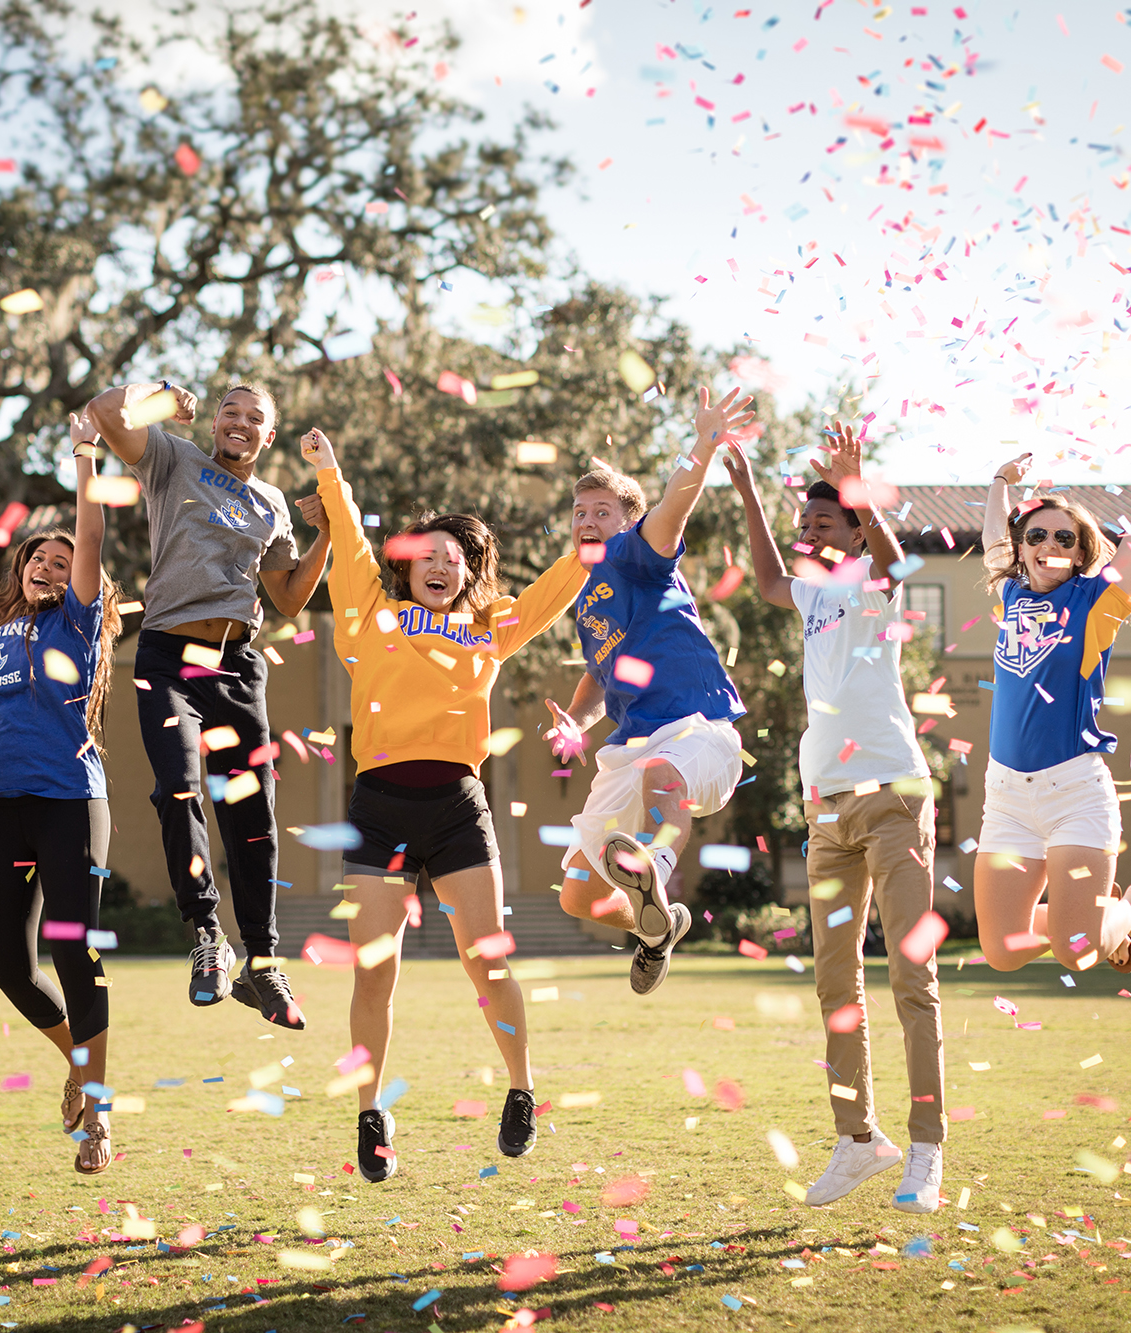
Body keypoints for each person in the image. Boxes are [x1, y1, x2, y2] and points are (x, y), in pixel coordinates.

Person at [305, 427, 588, 1180]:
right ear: (408, 563)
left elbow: (547, 598)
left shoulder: (486, 628)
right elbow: (351, 548)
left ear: (468, 575)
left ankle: (522, 1089)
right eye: (427, 553)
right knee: (375, 971)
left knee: (485, 959)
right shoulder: (371, 616)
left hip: (458, 804)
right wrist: (332, 473)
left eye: (453, 559)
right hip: (380, 805)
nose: (438, 563)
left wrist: (588, 547)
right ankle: (371, 1113)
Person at [724, 420, 947, 1213]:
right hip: (826, 811)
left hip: (891, 794)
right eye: (804, 522)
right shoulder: (814, 596)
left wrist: (856, 487)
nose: (808, 531)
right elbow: (768, 579)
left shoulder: (871, 585)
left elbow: (901, 561)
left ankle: (926, 1149)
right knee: (834, 984)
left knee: (910, 980)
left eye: (824, 521)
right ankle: (859, 1140)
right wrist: (748, 485)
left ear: (851, 527)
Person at [85, 379, 332, 1028]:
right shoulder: (173, 458)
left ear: (268, 436)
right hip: (169, 657)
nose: (241, 423)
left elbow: (287, 598)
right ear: (215, 420)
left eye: (256, 418)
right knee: (178, 788)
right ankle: (205, 936)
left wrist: (326, 535)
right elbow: (104, 411)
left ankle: (263, 964)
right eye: (232, 411)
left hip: (237, 666)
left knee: (253, 812)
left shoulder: (272, 502)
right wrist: (163, 393)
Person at [0, 417, 123, 1173]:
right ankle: (79, 1064)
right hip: (8, 810)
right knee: (10, 967)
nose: (50, 567)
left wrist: (86, 459)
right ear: (18, 571)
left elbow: (91, 530)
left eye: (63, 559)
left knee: (72, 949)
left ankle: (100, 1112)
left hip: (70, 802)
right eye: (37, 559)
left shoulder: (75, 624)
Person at [972, 428, 1131, 977]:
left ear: (1081, 553)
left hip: (1073, 793)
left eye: (1064, 538)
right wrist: (1001, 483)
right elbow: (992, 542)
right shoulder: (1011, 594)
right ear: (1022, 546)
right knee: (1002, 952)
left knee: (1075, 953)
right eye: (1037, 536)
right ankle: (1096, 920)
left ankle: (1129, 908)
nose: (1049, 546)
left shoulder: (1096, 603)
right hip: (1006, 796)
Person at [545, 387, 759, 993]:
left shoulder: (641, 557)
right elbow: (598, 676)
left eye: (602, 511)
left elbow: (674, 506)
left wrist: (704, 444)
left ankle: (654, 869)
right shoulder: (586, 599)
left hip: (698, 729)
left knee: (661, 773)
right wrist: (576, 725)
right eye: (580, 513)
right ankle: (655, 926)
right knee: (580, 897)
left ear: (628, 521)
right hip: (628, 745)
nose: (588, 521)